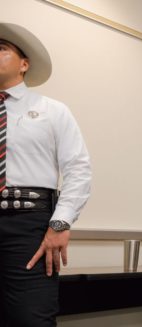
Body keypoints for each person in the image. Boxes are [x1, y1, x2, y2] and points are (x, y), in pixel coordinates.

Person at [0, 23, 91, 326]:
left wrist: (60, 222)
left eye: (1, 49)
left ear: (24, 64)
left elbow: (78, 169)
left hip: (31, 227)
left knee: (31, 319)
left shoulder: (52, 110)